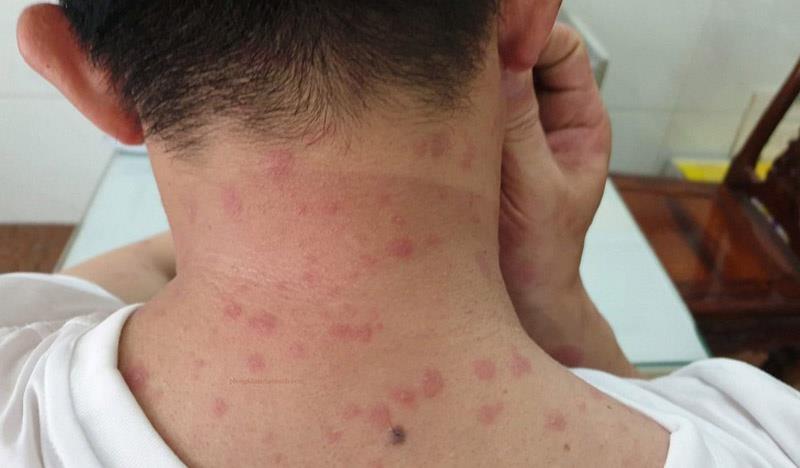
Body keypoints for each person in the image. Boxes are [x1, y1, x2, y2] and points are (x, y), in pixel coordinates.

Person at [2, 1, 798, 466]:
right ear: (529, 15)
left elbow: (136, 272)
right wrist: (559, 305)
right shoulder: (765, 438)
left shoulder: (16, 373)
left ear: (83, 74)